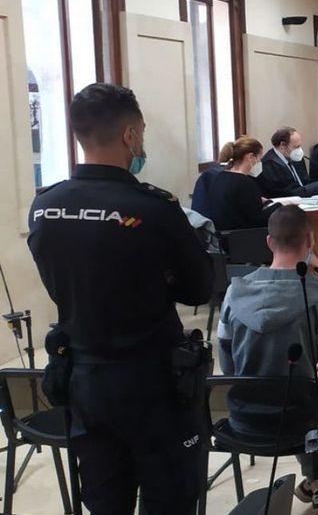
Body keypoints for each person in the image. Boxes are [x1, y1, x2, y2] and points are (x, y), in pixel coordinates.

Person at [27, 82, 213, 513]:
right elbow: (199, 289)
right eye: (142, 133)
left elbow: (60, 282)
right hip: (152, 380)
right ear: (130, 135)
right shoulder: (154, 208)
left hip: (84, 377)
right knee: (170, 497)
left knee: (105, 499)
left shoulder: (45, 206)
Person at [217, 205, 318, 511]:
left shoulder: (233, 293)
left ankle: (314, 483)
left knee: (310, 391)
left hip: (243, 419)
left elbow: (229, 367)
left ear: (269, 242)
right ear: (310, 242)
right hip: (302, 421)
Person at [201, 137, 281, 231]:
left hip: (223, 236)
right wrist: (278, 206)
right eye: (259, 159)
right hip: (242, 238)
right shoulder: (244, 183)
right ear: (250, 157)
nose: (260, 163)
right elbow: (257, 220)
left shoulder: (219, 177)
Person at [258, 126, 318, 198]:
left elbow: (305, 181)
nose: (299, 150)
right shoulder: (269, 165)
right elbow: (289, 192)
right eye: (296, 147)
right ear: (282, 145)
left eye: (300, 146)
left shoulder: (296, 158)